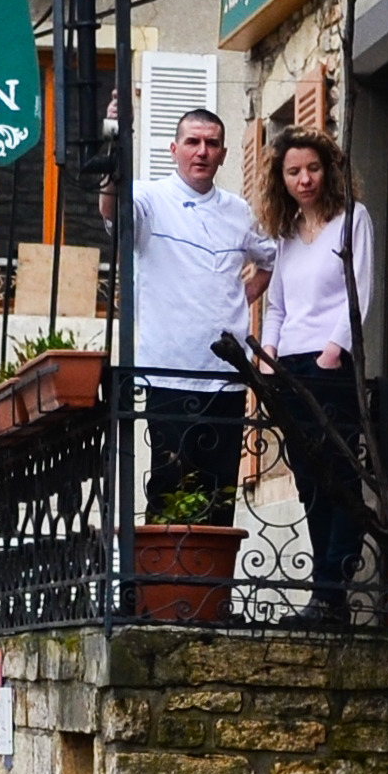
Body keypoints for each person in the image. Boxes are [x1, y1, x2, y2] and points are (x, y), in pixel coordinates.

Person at [245, 126, 378, 625]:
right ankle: (326, 599)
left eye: (313, 169)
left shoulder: (352, 221)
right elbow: (277, 306)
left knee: (341, 478)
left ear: (330, 169)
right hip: (289, 367)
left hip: (331, 365)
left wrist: (332, 351)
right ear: (281, 178)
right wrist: (270, 354)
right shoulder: (284, 236)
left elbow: (360, 290)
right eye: (294, 171)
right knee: (308, 480)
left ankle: (332, 589)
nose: (305, 179)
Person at [127, 107, 260, 520]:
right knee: (170, 487)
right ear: (174, 149)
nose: (202, 152)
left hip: (226, 379)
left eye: (212, 144)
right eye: (193, 142)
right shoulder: (148, 198)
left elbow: (271, 257)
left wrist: (245, 295)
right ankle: (163, 585)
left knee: (220, 494)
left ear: (222, 154)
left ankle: (212, 586)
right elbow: (113, 213)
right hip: (168, 371)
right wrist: (113, 145)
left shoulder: (240, 211)